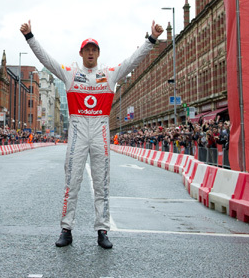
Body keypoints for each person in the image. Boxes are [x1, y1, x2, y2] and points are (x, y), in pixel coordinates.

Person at [20, 19, 163, 249]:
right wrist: (30, 37)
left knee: (102, 184)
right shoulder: (70, 74)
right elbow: (45, 59)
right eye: (87, 49)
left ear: (98, 53)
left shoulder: (109, 74)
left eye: (93, 50)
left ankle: (102, 230)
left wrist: (152, 39)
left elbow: (132, 61)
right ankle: (66, 229)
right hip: (77, 130)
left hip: (100, 131)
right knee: (71, 182)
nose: (90, 53)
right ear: (81, 52)